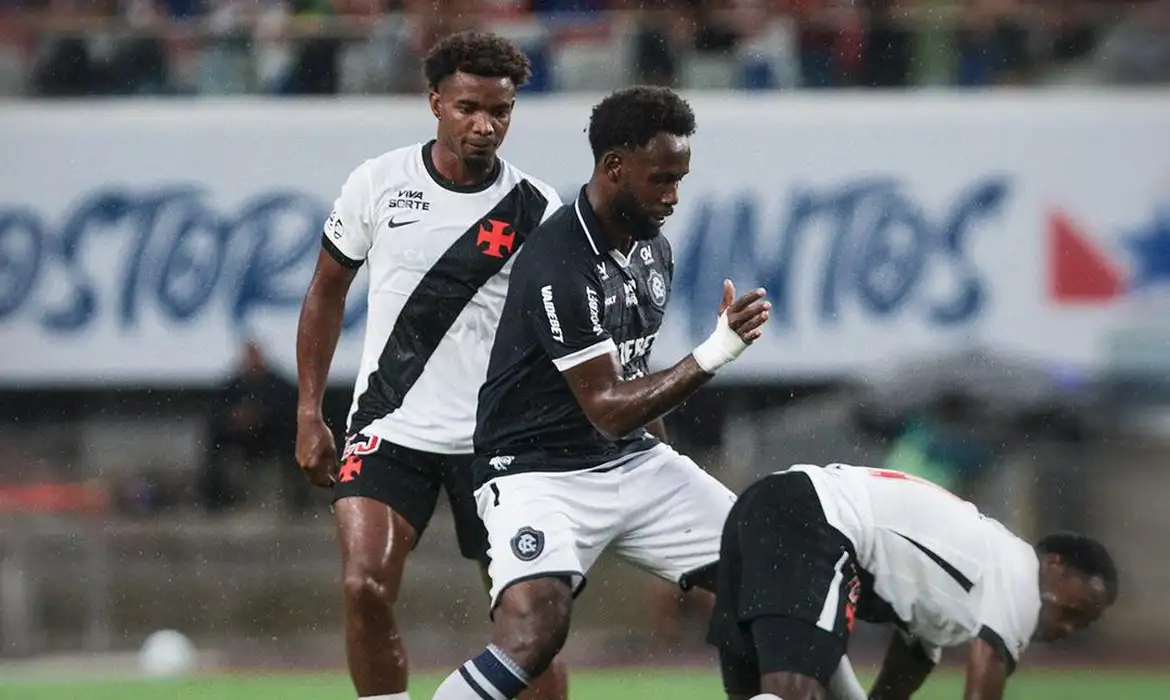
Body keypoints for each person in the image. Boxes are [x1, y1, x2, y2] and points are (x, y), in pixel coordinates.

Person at [430, 85, 773, 700]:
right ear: (615, 167)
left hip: (631, 461)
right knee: (536, 633)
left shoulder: (654, 252)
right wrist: (715, 352)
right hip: (537, 473)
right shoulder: (559, 259)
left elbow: (634, 377)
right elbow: (608, 408)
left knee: (775, 582)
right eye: (661, 179)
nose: (673, 196)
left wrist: (671, 473)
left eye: (679, 180)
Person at [294, 31, 567, 700]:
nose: (485, 125)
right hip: (390, 429)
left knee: (530, 626)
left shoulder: (538, 208)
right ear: (435, 102)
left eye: (500, 111)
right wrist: (309, 411)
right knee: (363, 585)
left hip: (497, 441)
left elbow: (562, 333)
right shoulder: (379, 183)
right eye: (468, 107)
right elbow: (326, 292)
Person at [707, 463, 1119, 700]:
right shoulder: (1021, 575)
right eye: (1075, 610)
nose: (1068, 627)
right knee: (793, 691)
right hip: (818, 517)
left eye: (1081, 624)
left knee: (756, 691)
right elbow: (984, 679)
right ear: (1055, 565)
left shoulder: (969, 586)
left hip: (766, 503)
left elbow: (909, 665)